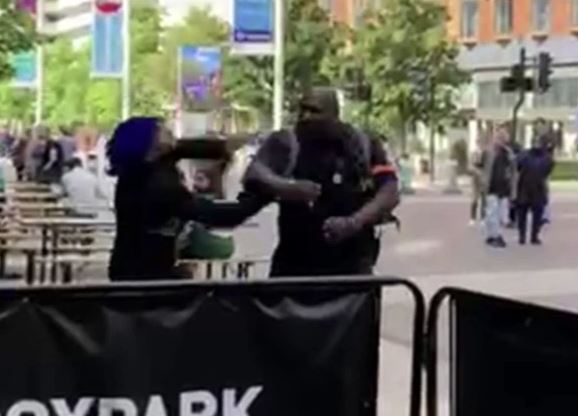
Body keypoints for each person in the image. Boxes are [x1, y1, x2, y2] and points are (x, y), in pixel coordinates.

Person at [107, 117, 317, 281]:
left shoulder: (139, 171)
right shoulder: (158, 187)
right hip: (142, 284)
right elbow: (222, 216)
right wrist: (267, 192)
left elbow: (185, 147)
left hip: (134, 273)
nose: (169, 130)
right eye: (160, 129)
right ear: (150, 144)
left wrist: (226, 146)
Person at [243, 87, 399, 277]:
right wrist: (287, 188)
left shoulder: (361, 144)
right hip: (295, 269)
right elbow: (255, 173)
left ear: (333, 114)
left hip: (352, 271)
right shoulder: (287, 141)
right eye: (302, 110)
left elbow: (390, 191)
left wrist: (354, 222)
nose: (305, 117)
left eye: (314, 110)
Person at [516, 137, 554, 245]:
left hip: (535, 188)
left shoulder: (545, 157)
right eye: (535, 142)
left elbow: (548, 169)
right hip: (527, 187)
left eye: (538, 143)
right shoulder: (525, 155)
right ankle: (523, 236)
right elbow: (518, 166)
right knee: (523, 214)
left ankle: (533, 236)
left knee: (536, 214)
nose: (537, 145)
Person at [482, 124, 515, 248]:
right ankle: (494, 235)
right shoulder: (489, 152)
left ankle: (496, 235)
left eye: (503, 136)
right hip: (491, 187)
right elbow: (480, 166)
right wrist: (483, 180)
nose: (500, 139)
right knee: (491, 213)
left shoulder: (508, 154)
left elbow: (513, 172)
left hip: (504, 188)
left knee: (501, 214)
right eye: (498, 136)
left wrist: (513, 190)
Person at [469, 138, 486, 226]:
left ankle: (483, 218)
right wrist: (475, 171)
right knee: (474, 199)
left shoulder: (486, 154)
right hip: (475, 179)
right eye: (479, 143)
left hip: (484, 179)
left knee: (484, 199)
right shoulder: (473, 153)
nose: (480, 145)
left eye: (482, 143)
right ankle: (472, 218)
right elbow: (470, 166)